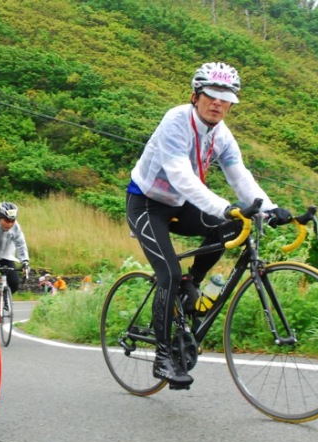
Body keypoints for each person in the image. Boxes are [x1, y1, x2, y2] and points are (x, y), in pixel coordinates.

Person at [125, 62, 292, 388]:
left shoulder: (221, 135)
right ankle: (162, 358)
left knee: (228, 228)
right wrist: (224, 206)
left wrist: (269, 210)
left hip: (181, 205)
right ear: (195, 96)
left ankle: (193, 283)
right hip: (146, 204)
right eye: (211, 95)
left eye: (226, 97)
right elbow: (180, 176)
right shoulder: (176, 121)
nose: (218, 103)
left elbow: (240, 176)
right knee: (168, 275)